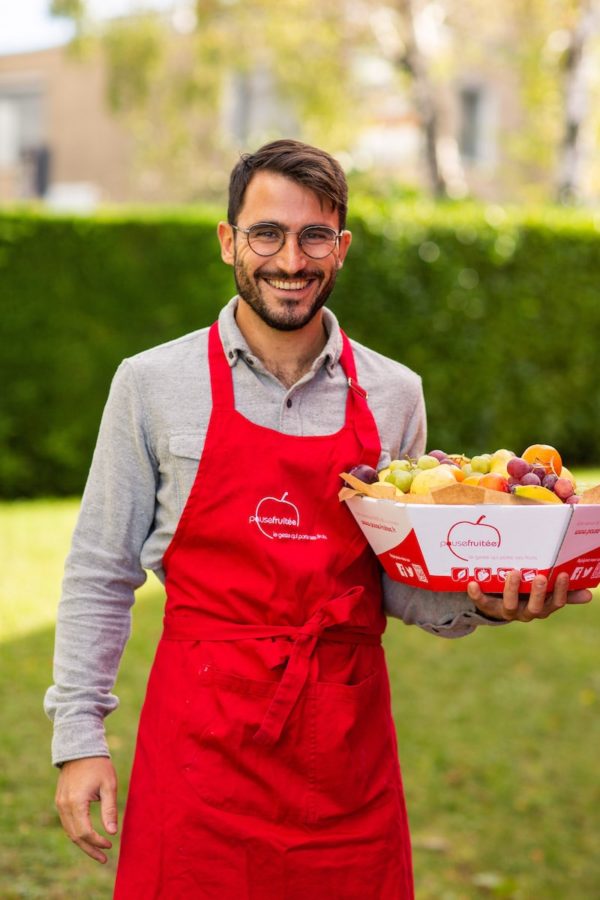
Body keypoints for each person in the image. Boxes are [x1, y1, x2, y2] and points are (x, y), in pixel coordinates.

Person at [45, 139, 592, 899]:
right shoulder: (152, 384)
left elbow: (400, 582)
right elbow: (101, 572)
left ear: (341, 248)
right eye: (267, 233)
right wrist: (79, 739)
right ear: (229, 240)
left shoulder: (395, 393)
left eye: (314, 237)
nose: (290, 260)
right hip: (200, 749)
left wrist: (486, 601)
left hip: (344, 753)